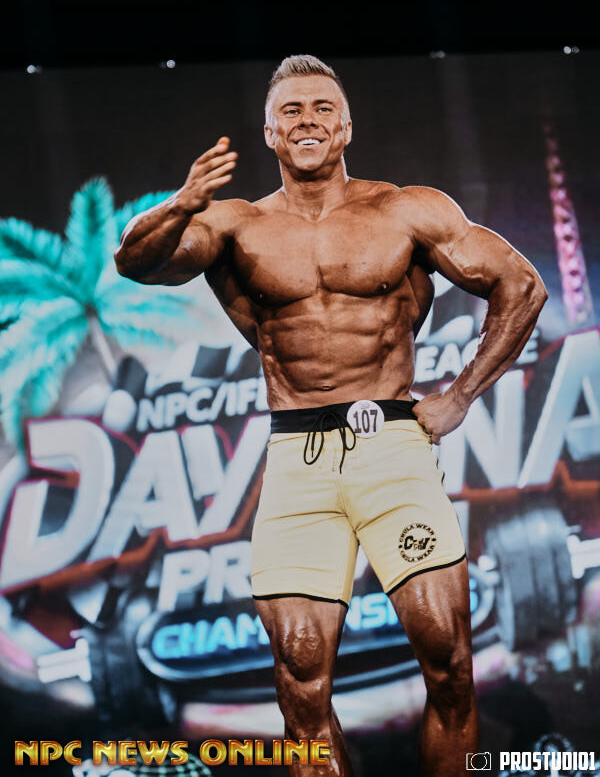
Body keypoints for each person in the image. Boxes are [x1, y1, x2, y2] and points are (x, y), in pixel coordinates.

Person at [115, 55, 547, 776]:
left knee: (448, 659)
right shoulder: (236, 225)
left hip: (394, 453)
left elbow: (521, 284)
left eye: (322, 108)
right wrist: (181, 202)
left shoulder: (407, 210)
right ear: (270, 133)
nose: (307, 120)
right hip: (298, 463)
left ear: (346, 127)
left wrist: (462, 394)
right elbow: (135, 261)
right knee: (301, 682)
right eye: (291, 110)